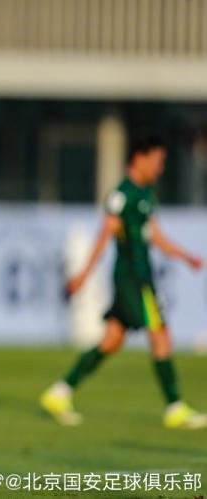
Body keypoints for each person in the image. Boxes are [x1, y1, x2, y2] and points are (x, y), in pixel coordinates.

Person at [40, 135, 207, 429]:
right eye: (157, 161)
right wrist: (83, 275)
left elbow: (155, 235)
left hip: (140, 276)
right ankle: (175, 406)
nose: (160, 168)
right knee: (160, 334)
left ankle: (59, 392)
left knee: (112, 340)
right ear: (139, 158)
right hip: (133, 278)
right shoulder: (122, 195)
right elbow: (104, 237)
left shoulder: (146, 194)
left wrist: (184, 256)